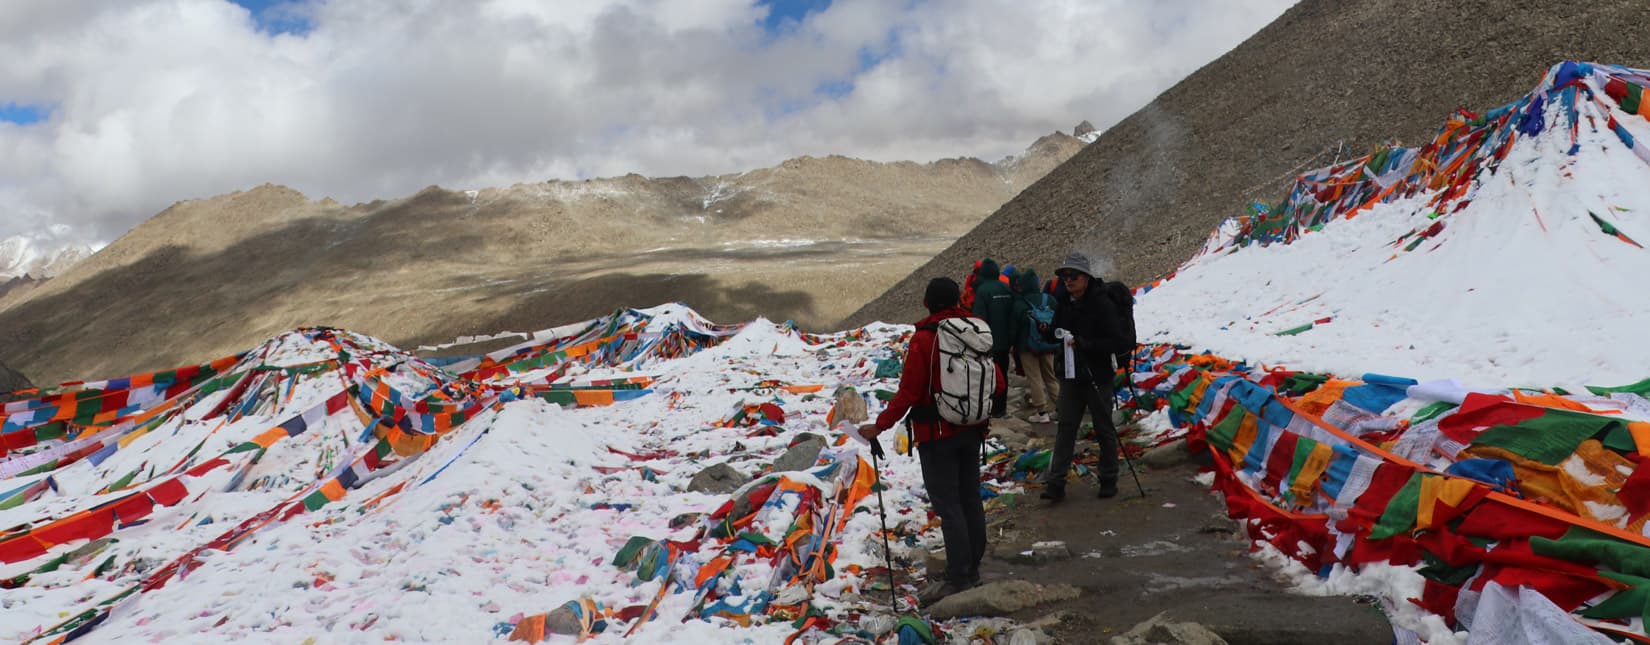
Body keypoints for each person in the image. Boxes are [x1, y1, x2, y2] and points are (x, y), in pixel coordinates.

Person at [859, 277, 1006, 605]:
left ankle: (959, 576)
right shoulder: (975, 330)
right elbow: (997, 380)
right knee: (969, 497)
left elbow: (910, 392)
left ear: (928, 302)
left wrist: (879, 426)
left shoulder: (926, 338)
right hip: (973, 428)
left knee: (948, 503)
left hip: (936, 433)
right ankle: (972, 567)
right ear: (957, 300)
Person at [1035, 252, 1127, 500]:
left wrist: (1085, 344)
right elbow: (1057, 331)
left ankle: (1109, 479)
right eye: (1064, 276)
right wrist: (1046, 331)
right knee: (1066, 428)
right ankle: (1056, 484)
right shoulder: (1064, 302)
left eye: (1072, 275)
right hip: (1070, 376)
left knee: (1104, 428)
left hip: (1097, 376)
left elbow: (1116, 340)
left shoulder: (1102, 304)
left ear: (1085, 277)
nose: (1067, 280)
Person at [1010, 268, 1059, 424]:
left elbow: (1014, 327)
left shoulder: (1019, 303)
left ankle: (1042, 412)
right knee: (1051, 377)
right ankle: (1062, 409)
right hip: (1049, 344)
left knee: (1035, 378)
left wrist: (1012, 344)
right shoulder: (1049, 299)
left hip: (1028, 346)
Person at [969, 258, 1014, 417]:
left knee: (988, 376)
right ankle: (1001, 409)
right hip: (1005, 342)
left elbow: (979, 319)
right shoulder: (1006, 289)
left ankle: (989, 408)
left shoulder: (982, 291)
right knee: (1003, 374)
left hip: (988, 343)